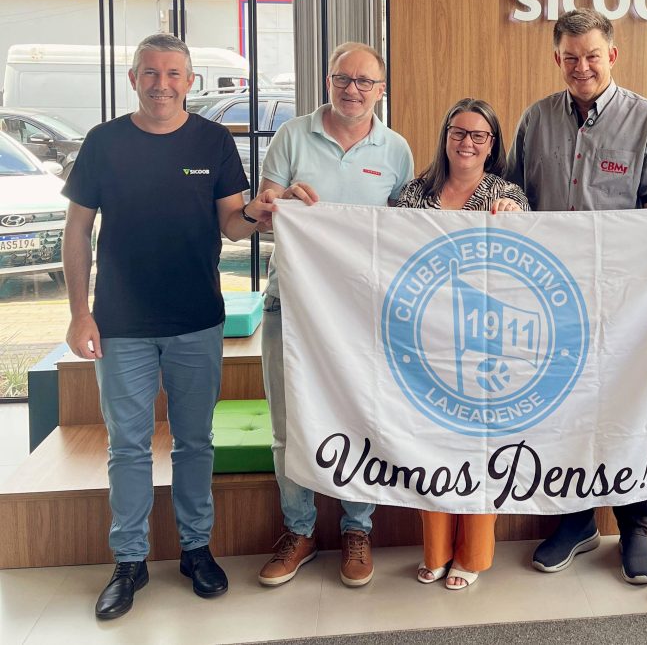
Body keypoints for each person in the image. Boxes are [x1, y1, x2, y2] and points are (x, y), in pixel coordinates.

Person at [62, 33, 274, 620]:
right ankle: (129, 561)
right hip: (120, 322)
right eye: (151, 73)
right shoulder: (104, 142)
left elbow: (232, 224)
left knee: (195, 442)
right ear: (133, 79)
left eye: (173, 73)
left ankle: (195, 550)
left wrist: (258, 213)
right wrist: (79, 312)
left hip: (196, 320)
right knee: (128, 447)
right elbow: (76, 230)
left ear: (190, 82)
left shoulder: (213, 140)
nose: (162, 84)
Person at [506, 7, 647, 585]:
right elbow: (515, 198)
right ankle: (576, 520)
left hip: (625, 299)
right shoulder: (535, 120)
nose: (581, 67)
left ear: (613, 55)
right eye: (570, 57)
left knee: (632, 403)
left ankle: (635, 526)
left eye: (592, 56)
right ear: (557, 59)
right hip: (550, 296)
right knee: (561, 406)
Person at [254, 42, 414, 589]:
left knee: (360, 417)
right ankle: (299, 531)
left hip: (361, 311)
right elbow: (263, 212)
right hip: (291, 303)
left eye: (365, 82)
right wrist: (277, 202)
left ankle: (357, 529)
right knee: (287, 424)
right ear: (328, 82)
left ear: (380, 90)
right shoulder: (292, 136)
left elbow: (401, 232)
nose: (353, 89)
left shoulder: (395, 150)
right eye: (343, 78)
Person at [395, 97, 529, 590]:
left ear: (492, 144)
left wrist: (514, 216)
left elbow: (526, 258)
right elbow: (387, 255)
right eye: (458, 132)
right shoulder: (414, 193)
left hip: (484, 343)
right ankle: (436, 550)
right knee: (431, 445)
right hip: (424, 339)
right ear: (445, 136)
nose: (467, 142)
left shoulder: (507, 194)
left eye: (478, 135)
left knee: (478, 446)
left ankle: (472, 555)